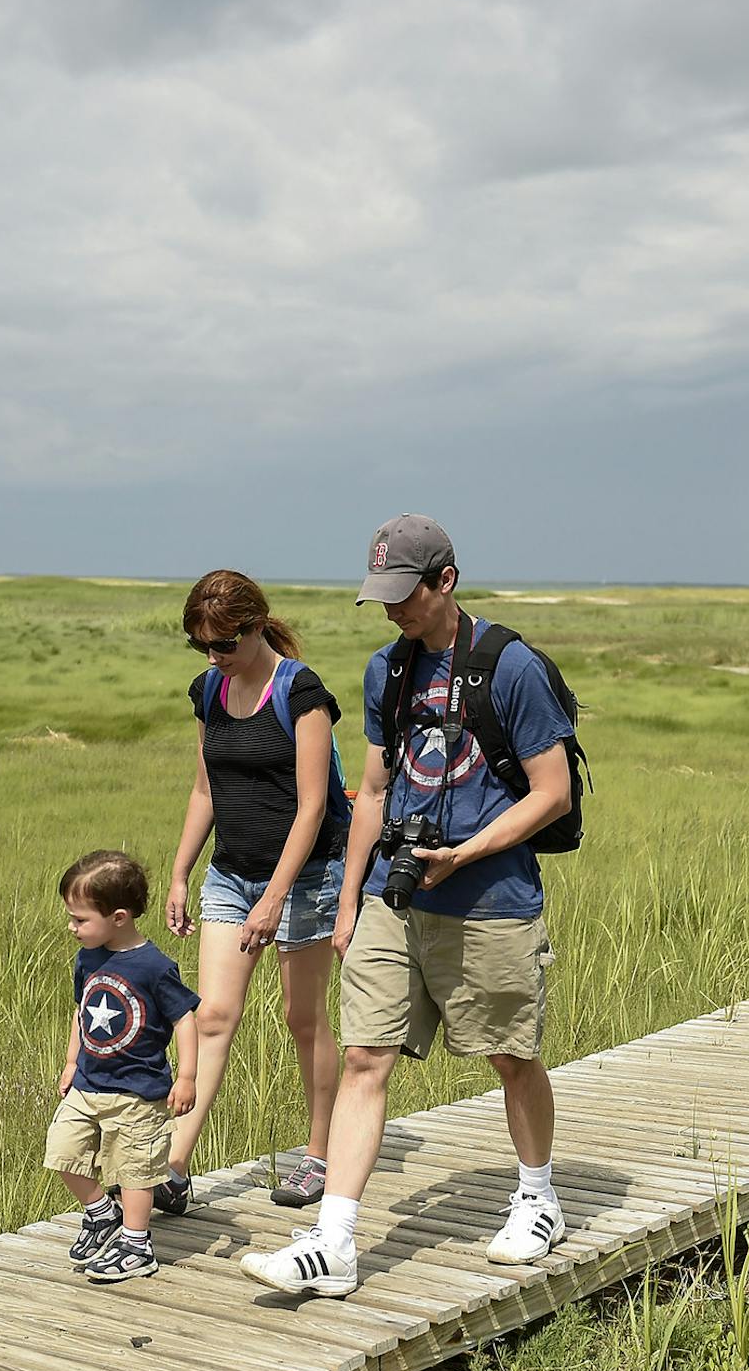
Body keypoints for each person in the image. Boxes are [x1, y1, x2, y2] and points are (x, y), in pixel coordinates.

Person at [241, 515, 574, 1298]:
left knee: (509, 1055)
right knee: (365, 1055)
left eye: (406, 595)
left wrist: (466, 852)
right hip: (394, 894)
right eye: (381, 596)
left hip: (491, 898)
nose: (393, 610)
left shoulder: (508, 666)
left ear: (446, 581)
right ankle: (334, 1241)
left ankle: (539, 1198)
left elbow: (553, 793)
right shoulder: (385, 672)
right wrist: (350, 899)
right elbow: (376, 792)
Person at [162, 571, 348, 1212]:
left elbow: (313, 805)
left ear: (255, 626)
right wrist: (181, 872)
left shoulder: (302, 694)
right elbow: (204, 789)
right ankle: (175, 1166)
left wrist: (275, 897)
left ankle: (319, 1156)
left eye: (223, 644)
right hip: (230, 872)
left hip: (305, 880)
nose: (214, 658)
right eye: (201, 647)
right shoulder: (209, 691)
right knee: (212, 1016)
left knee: (304, 1020)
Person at [45, 850, 199, 1283]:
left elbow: (185, 1019)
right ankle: (100, 1213)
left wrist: (186, 1076)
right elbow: (81, 1011)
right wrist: (72, 1060)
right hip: (88, 1084)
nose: (72, 928)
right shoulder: (88, 958)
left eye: (79, 920)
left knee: (136, 1170)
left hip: (138, 1093)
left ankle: (136, 1243)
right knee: (63, 1152)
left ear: (118, 917)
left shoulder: (153, 967)